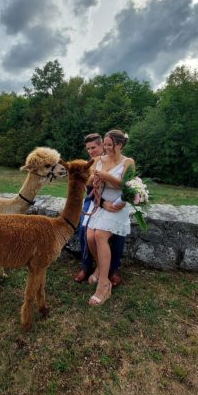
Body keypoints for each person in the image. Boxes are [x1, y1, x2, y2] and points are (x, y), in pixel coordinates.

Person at [87, 129, 135, 306]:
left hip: (118, 206)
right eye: (105, 144)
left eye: (109, 145)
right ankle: (100, 266)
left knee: (99, 235)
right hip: (101, 204)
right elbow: (88, 182)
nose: (105, 148)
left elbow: (128, 186)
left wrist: (107, 177)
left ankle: (104, 284)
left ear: (119, 145)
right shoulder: (98, 160)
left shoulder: (128, 162)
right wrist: (94, 179)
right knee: (90, 237)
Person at [74, 134, 126, 286]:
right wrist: (102, 202)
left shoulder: (112, 159)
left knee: (118, 232)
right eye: (88, 149)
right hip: (93, 201)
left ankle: (114, 268)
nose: (90, 151)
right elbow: (88, 187)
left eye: (93, 148)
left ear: (102, 145)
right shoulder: (91, 163)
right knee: (84, 229)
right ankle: (86, 265)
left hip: (114, 200)